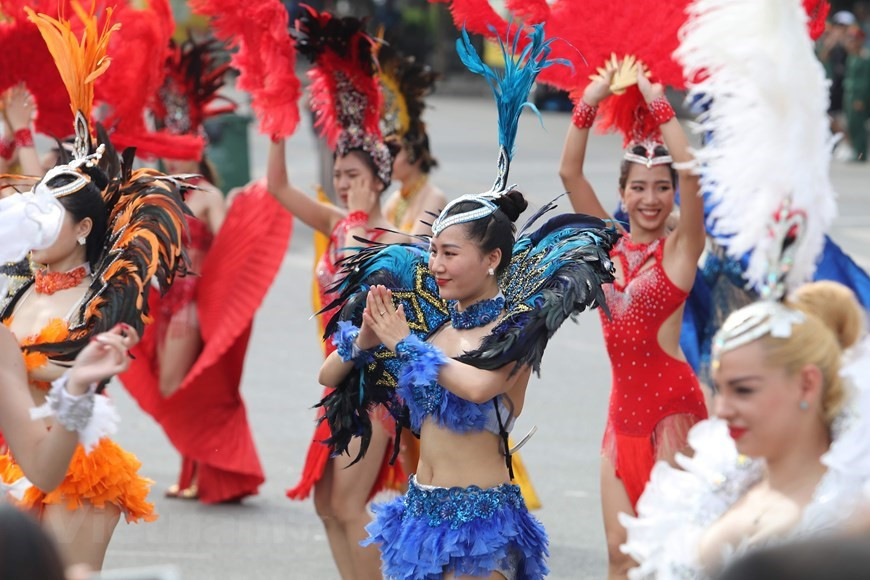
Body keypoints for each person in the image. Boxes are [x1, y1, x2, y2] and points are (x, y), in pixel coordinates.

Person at [313, 23, 618, 578]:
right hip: (418, 516)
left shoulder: (515, 327)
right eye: (433, 252)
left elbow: (478, 385)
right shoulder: (429, 323)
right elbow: (329, 377)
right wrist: (364, 339)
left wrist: (404, 343)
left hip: (484, 524)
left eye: (450, 253)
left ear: (492, 260)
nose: (436, 265)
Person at [0, 5, 188, 570]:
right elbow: (32, 206)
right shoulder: (20, 284)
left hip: (69, 464)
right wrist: (22, 132)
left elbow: (76, 372)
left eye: (50, 217)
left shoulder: (101, 297)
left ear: (84, 228)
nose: (34, 225)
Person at [267, 9, 408, 578]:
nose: (343, 181)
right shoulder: (336, 224)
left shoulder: (394, 240)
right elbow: (277, 187)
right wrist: (278, 123)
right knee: (328, 506)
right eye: (339, 172)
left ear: (377, 179)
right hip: (337, 377)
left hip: (375, 386)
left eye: (353, 174)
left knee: (351, 505)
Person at [119, 36, 288, 505]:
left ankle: (201, 468)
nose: (176, 156)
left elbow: (230, 241)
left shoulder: (206, 196)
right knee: (173, 382)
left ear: (196, 147)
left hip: (193, 303)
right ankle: (196, 471)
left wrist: (242, 209)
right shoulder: (154, 189)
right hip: (162, 303)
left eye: (183, 147)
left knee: (178, 385)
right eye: (168, 147)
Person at [559, 56, 707, 577]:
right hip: (620, 418)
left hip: (675, 414)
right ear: (621, 193)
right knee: (619, 556)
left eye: (661, 188)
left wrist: (656, 97)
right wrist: (591, 99)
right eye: (638, 187)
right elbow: (569, 171)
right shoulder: (606, 245)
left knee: (668, 557)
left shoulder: (682, 248)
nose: (650, 199)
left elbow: (694, 171)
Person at [844, 25, 870, 161]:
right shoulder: (852, 57)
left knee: (859, 126)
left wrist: (861, 98)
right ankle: (856, 152)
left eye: (854, 40)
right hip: (850, 95)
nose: (851, 42)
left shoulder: (865, 58)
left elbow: (865, 81)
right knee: (852, 125)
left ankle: (861, 154)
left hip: (859, 97)